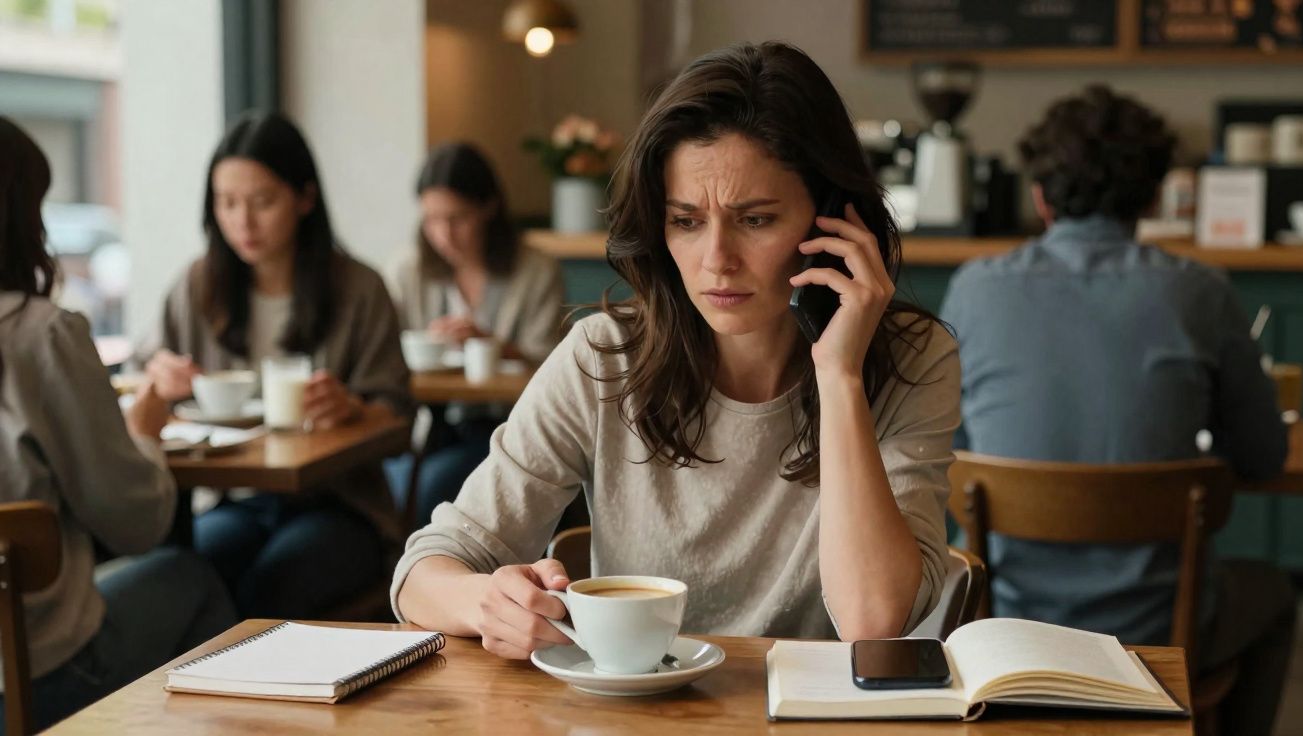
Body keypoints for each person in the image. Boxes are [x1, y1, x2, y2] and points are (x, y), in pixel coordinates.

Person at [392, 42, 960, 659]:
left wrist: (840, 373)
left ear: (830, 222)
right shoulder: (604, 357)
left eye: (756, 220)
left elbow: (874, 622)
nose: (716, 261)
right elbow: (422, 575)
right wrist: (489, 603)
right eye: (686, 221)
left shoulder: (913, 359)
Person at [940, 85, 1294, 736]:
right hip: (1162, 631)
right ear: (1154, 196)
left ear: (1041, 196)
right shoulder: (1200, 292)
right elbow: (1264, 455)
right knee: (1273, 596)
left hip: (1006, 625)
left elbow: (952, 453)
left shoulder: (975, 288)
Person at [0, 117, 235, 732]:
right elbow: (136, 522)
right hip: (37, 677)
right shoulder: (40, 334)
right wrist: (144, 427)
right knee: (195, 577)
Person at [142, 111, 412, 618]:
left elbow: (400, 418)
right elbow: (142, 377)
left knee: (267, 591)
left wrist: (354, 408)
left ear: (305, 198)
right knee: (188, 577)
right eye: (226, 203)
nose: (242, 221)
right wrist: (158, 382)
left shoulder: (359, 288)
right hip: (238, 500)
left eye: (262, 201)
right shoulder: (198, 286)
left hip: (341, 507)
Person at [387, 142, 565, 527]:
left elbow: (555, 373)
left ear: (488, 207)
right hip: (433, 425)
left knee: (430, 489)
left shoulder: (535, 270)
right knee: (401, 483)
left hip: (510, 428)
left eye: (457, 218)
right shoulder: (409, 270)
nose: (443, 234)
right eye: (431, 220)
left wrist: (495, 346)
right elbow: (387, 357)